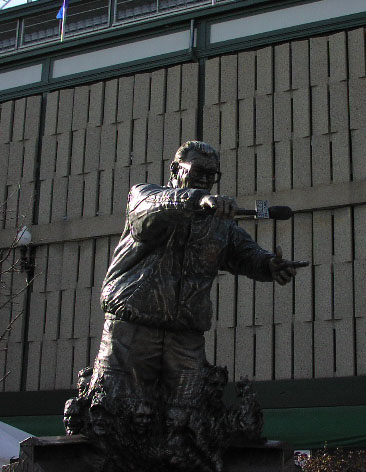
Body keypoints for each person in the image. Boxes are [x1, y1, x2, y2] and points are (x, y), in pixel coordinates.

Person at [89, 140, 308, 410]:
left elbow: (244, 253)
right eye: (198, 171)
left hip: (185, 335)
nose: (205, 179)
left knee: (189, 417)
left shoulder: (219, 222)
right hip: (132, 329)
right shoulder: (144, 196)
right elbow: (151, 208)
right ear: (175, 169)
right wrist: (197, 200)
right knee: (115, 410)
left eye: (211, 175)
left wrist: (269, 265)